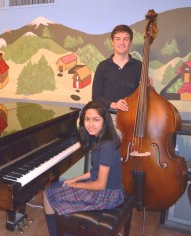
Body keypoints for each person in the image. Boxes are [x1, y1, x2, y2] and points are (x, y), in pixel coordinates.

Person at [43, 101, 124, 236]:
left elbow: (100, 184)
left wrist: (76, 185)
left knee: (47, 194)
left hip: (106, 195)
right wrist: (73, 180)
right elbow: (94, 173)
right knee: (58, 188)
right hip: (109, 190)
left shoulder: (107, 146)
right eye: (87, 119)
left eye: (95, 120)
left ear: (105, 121)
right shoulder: (101, 138)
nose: (90, 124)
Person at [92, 24, 142, 112]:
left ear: (130, 42)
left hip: (131, 116)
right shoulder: (102, 66)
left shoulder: (139, 66)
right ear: (112, 41)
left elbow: (141, 95)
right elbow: (96, 96)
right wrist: (114, 105)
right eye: (117, 39)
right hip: (107, 116)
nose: (122, 42)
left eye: (125, 39)